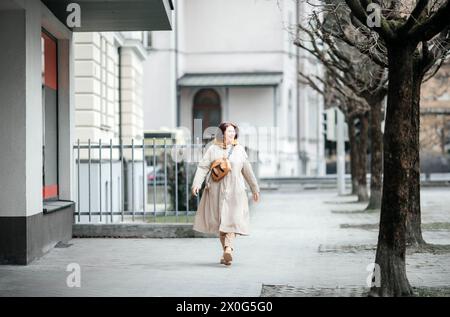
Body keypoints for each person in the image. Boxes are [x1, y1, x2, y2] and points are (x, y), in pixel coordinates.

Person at [191, 122, 260, 266]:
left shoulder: (239, 149)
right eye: (229, 131)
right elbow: (203, 167)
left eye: (233, 132)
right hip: (216, 191)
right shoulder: (212, 149)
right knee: (222, 222)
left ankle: (228, 248)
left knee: (232, 220)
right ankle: (226, 252)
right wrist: (196, 184)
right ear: (222, 133)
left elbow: (247, 170)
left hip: (236, 191)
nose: (232, 134)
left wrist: (255, 188)